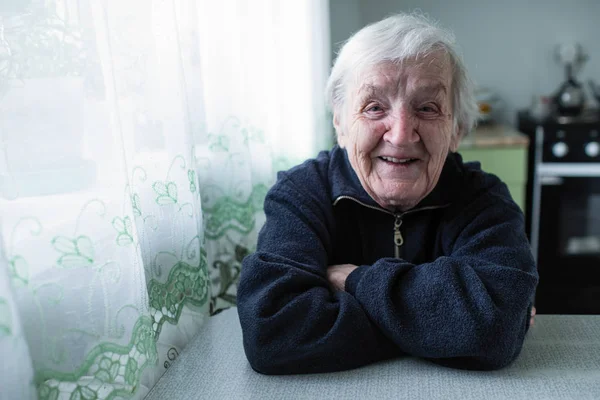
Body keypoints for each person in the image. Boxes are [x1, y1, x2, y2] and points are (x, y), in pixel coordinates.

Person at [237, 13, 538, 375]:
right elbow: (273, 332)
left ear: (456, 130)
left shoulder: (483, 198)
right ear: (340, 122)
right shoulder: (300, 194)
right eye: (374, 107)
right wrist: (449, 325)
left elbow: (494, 328)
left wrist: (354, 281)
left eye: (427, 108)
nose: (400, 135)